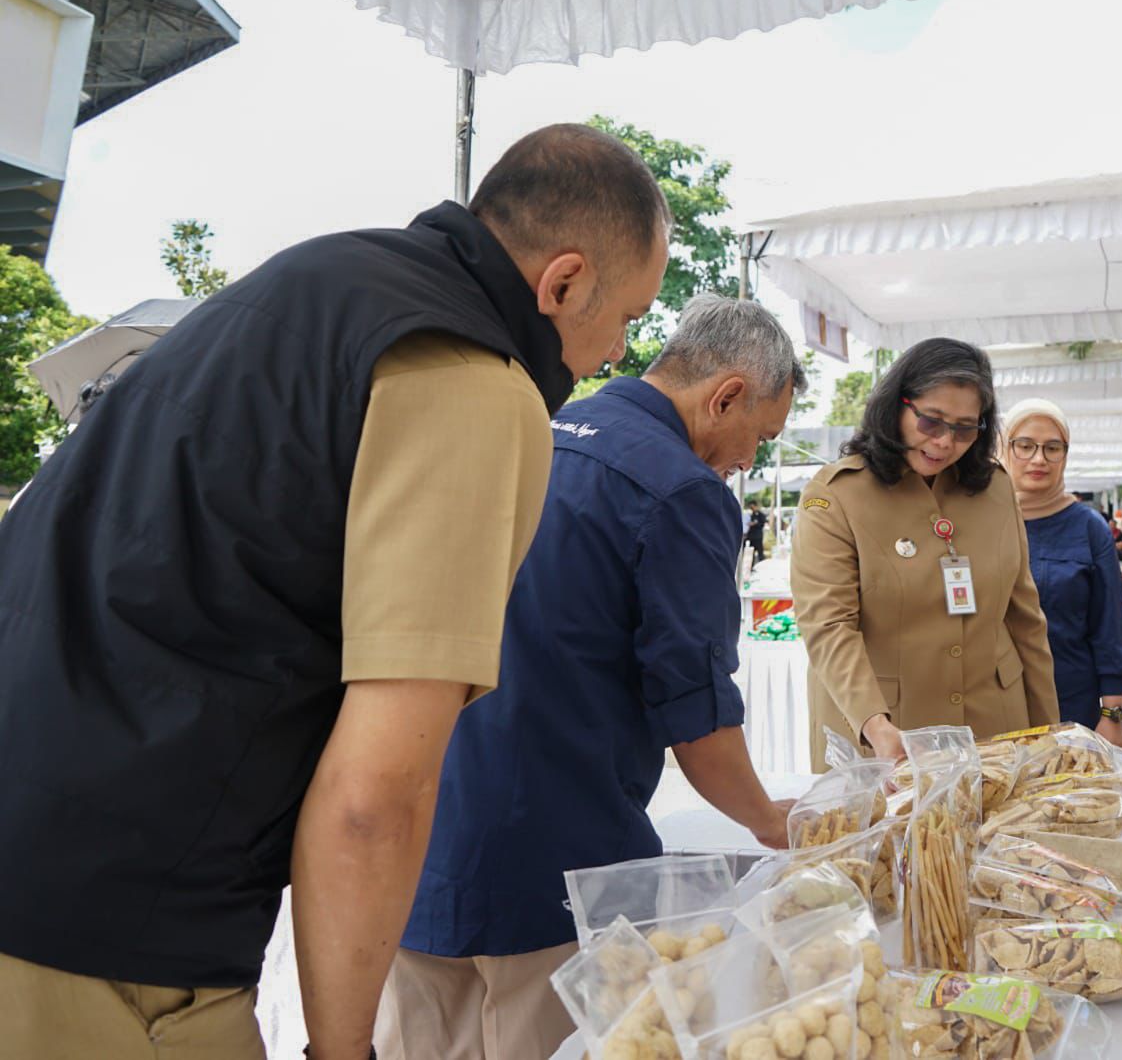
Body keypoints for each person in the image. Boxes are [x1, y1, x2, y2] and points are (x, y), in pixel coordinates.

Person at [0, 124, 670, 1060]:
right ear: (561, 284)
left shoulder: (315, 278)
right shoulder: (471, 375)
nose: (616, 351)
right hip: (106, 929)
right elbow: (376, 795)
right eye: (628, 315)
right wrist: (343, 1049)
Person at [377, 295, 801, 1057]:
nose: (748, 461)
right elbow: (699, 720)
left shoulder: (524, 433)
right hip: (553, 867)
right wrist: (774, 822)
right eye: (758, 438)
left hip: (417, 845)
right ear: (726, 394)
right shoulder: (680, 490)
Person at [791, 338, 1057, 766]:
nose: (945, 442)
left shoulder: (995, 488)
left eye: (966, 428)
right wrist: (875, 723)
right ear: (897, 405)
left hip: (994, 729)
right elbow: (828, 626)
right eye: (932, 422)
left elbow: (1025, 619)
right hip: (886, 734)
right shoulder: (837, 494)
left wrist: (1049, 735)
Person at [1001, 399, 1122, 746]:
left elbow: (1111, 625)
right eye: (1025, 446)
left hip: (1071, 704)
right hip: (993, 705)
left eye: (1052, 448)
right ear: (1004, 447)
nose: (1039, 459)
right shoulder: (980, 522)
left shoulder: (1088, 527)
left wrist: (1113, 716)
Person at [746, 497, 770, 562]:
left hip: (758, 536)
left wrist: (755, 523)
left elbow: (762, 524)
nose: (752, 509)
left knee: (760, 552)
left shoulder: (761, 515)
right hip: (751, 536)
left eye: (752, 507)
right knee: (752, 552)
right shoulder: (751, 514)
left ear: (756, 506)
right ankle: (751, 566)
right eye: (750, 508)